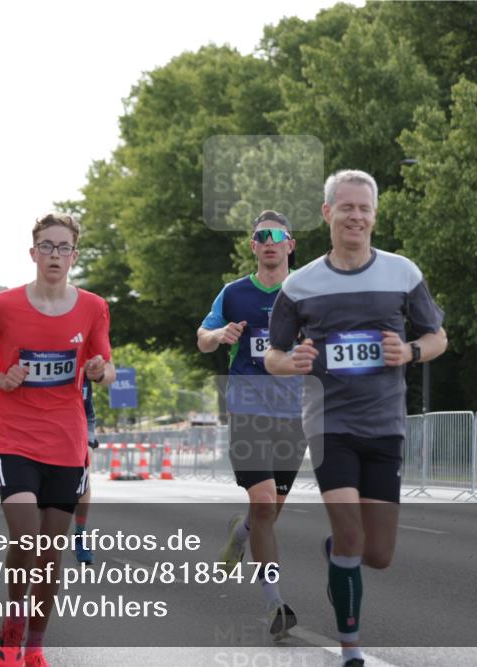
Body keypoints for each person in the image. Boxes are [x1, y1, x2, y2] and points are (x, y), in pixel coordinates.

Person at [264, 170, 448, 667]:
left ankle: (338, 555)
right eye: (346, 207)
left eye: (364, 208)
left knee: (379, 554)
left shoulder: (402, 273)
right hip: (330, 425)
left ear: (375, 214)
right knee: (351, 534)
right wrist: (293, 362)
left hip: (386, 424)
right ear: (328, 213)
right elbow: (273, 355)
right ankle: (351, 650)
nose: (356, 216)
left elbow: (437, 338)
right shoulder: (300, 285)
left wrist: (409, 350)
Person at [0, 213, 115, 667]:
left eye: (63, 248)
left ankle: (36, 644)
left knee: (51, 552)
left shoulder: (93, 307)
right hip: (13, 434)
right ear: (33, 254)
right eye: (47, 246)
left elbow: (106, 363)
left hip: (67, 438)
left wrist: (102, 371)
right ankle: (13, 620)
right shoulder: (4, 306)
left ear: (74, 256)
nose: (55, 256)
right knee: (28, 539)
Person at [198, 210, 307, 640]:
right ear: (253, 245)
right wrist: (220, 333)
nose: (269, 241)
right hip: (247, 409)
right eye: (261, 235)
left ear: (290, 245)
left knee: (268, 512)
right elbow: (202, 338)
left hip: (293, 415)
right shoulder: (234, 293)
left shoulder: (307, 293)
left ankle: (239, 534)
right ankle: (274, 604)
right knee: (263, 503)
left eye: (277, 235)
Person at [72, 377, 98, 564]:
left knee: (84, 479)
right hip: (44, 432)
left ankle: (80, 537)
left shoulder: (84, 368)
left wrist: (88, 441)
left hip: (79, 428)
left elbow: (88, 410)